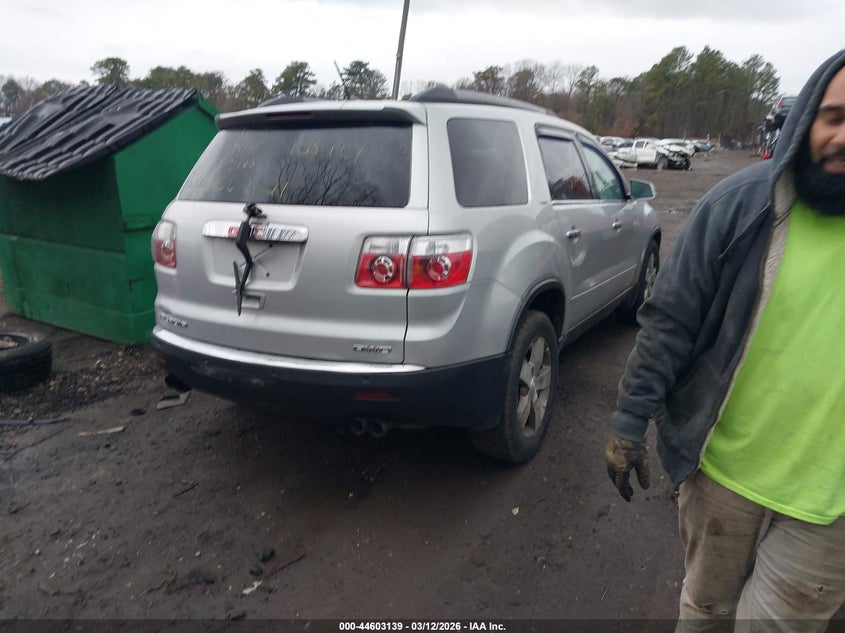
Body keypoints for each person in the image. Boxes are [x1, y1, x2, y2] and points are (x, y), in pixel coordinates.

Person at [604, 48, 845, 632]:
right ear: (808, 115)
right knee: (706, 612)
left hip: (829, 510)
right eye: (836, 117)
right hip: (722, 475)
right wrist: (627, 426)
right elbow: (671, 320)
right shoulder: (741, 205)